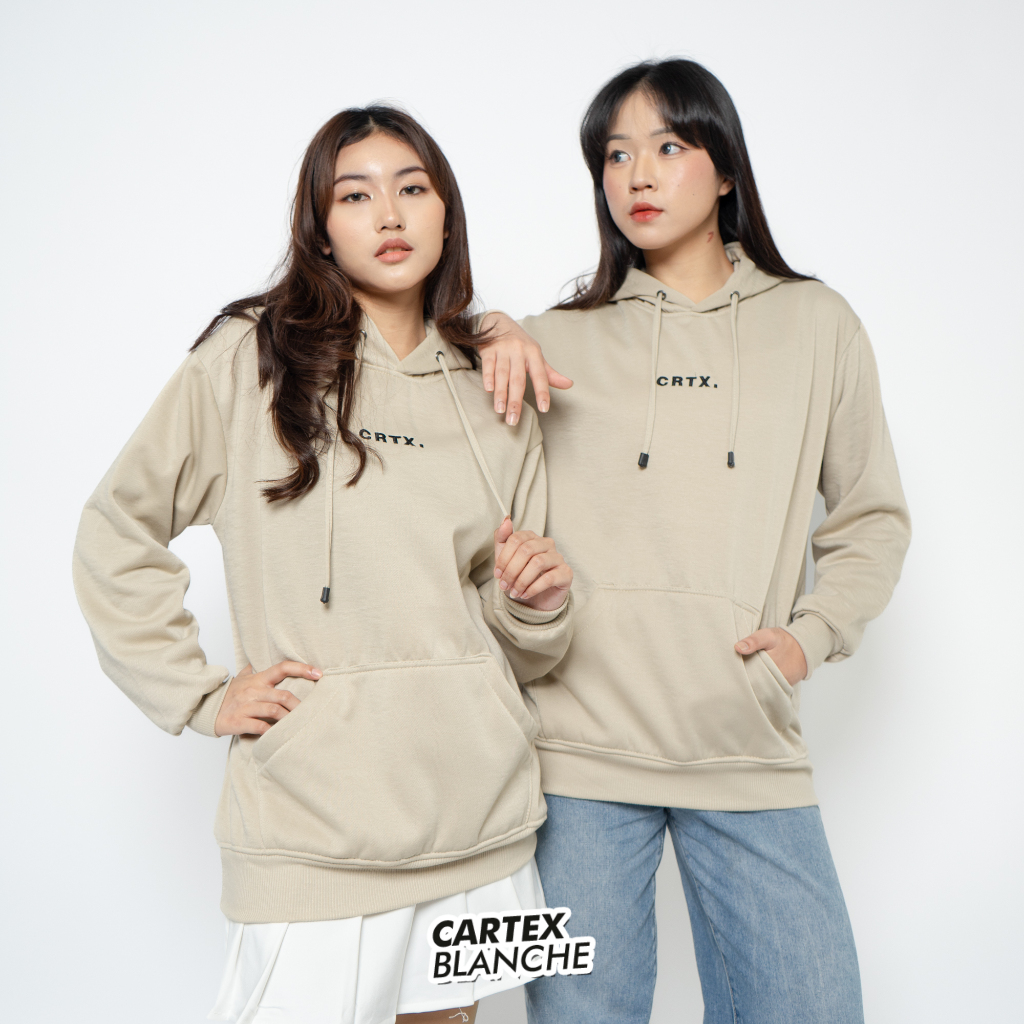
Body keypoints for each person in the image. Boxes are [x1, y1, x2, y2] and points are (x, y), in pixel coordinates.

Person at [72, 105, 576, 1024]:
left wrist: (535, 603)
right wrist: (197, 692)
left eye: (412, 188)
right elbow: (117, 529)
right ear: (321, 226)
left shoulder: (493, 385)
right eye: (355, 195)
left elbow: (519, 646)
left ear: (447, 214)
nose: (389, 214)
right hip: (313, 823)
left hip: (480, 819)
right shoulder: (252, 359)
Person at [482, 59, 911, 1024]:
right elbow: (471, 498)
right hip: (577, 758)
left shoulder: (817, 325)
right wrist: (485, 328)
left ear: (724, 169)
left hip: (743, 738)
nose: (636, 174)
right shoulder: (555, 341)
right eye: (615, 155)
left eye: (668, 146)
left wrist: (811, 636)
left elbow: (872, 517)